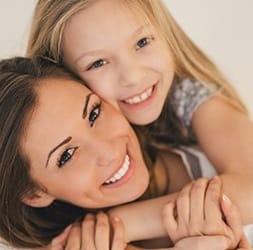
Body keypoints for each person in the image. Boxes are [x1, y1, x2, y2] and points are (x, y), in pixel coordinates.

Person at [0, 56, 249, 249]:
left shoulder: (188, 112)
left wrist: (123, 223)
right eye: (66, 155)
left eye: (93, 113)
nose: (108, 149)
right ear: (34, 192)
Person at [26, 0, 253, 238]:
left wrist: (122, 225)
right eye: (98, 63)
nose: (133, 76)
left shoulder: (186, 97)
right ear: (65, 79)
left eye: (142, 42)